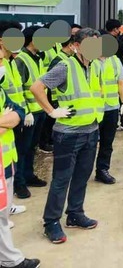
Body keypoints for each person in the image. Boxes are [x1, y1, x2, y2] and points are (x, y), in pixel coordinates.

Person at [30, 28, 102, 244]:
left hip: (91, 131)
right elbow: (37, 87)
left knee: (81, 177)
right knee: (61, 180)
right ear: (76, 46)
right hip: (68, 135)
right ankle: (51, 222)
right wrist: (51, 111)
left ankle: (75, 213)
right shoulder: (65, 66)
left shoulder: (96, 66)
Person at [0, 81, 41, 268]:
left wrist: (11, 118)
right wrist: (6, 119)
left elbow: (18, 112)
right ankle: (11, 260)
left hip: (6, 164)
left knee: (2, 215)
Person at [13, 25, 47, 199]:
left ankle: (28, 175)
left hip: (39, 111)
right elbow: (18, 89)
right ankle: (18, 183)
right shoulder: (21, 60)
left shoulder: (38, 58)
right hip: (28, 114)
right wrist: (25, 111)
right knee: (22, 149)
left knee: (32, 147)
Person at [0, 21, 30, 215]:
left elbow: (15, 100)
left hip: (13, 123)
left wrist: (20, 114)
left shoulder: (11, 62)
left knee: (14, 163)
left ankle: (7, 206)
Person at [39, 23, 82, 154]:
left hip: (55, 94)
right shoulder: (60, 59)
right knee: (49, 120)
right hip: (53, 94)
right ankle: (45, 142)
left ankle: (49, 141)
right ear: (70, 45)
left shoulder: (64, 55)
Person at [92, 55, 123, 184]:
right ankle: (82, 171)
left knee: (107, 142)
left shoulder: (115, 60)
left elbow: (121, 82)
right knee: (89, 143)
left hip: (111, 108)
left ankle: (102, 170)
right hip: (93, 109)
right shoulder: (89, 59)